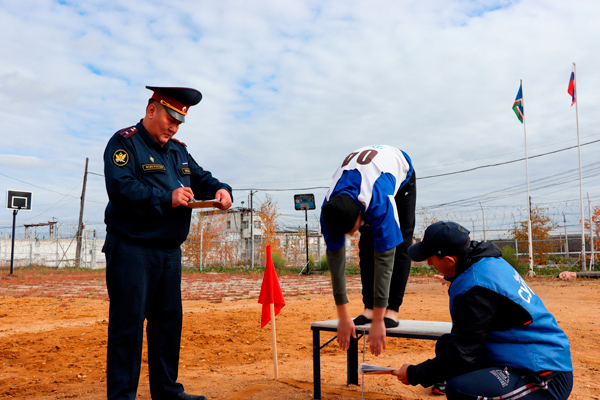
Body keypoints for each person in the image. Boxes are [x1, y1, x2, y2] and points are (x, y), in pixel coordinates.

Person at [102, 86, 233, 400]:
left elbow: (202, 177)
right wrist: (167, 196)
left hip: (169, 253)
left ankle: (167, 391)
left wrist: (222, 189)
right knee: (128, 327)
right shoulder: (124, 143)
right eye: (170, 118)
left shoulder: (178, 150)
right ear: (151, 111)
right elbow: (121, 188)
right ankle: (122, 397)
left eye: (179, 122)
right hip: (131, 250)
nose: (174, 127)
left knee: (167, 323)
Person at [391, 221, 573, 399]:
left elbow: (461, 355)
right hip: (521, 352)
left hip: (545, 375)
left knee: (461, 389)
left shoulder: (476, 291)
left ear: (450, 260)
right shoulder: (485, 261)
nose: (429, 263)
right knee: (446, 345)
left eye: (431, 258)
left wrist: (415, 374)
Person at [320, 145, 416, 356]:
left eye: (351, 229)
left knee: (399, 243)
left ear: (360, 214)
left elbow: (385, 258)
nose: (350, 235)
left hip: (398, 172)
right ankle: (369, 308)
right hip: (362, 178)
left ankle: (392, 309)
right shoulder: (328, 211)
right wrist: (343, 315)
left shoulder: (378, 201)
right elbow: (336, 264)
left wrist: (380, 320)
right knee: (366, 243)